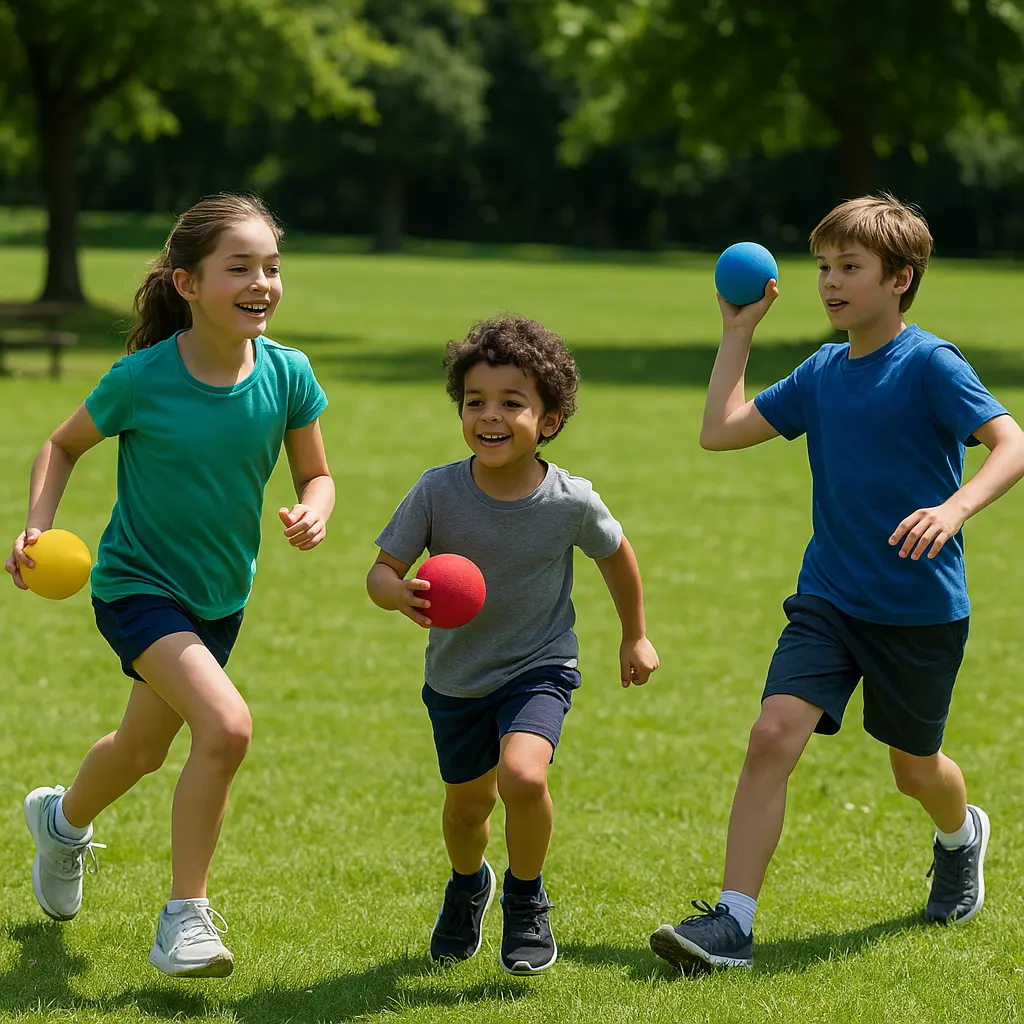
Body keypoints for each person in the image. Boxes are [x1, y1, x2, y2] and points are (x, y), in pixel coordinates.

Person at [650, 193, 1024, 972]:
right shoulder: (821, 372)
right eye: (823, 266)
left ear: (900, 279)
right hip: (829, 598)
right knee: (770, 737)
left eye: (849, 267)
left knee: (913, 770)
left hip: (918, 608)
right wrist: (736, 332)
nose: (829, 282)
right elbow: (720, 430)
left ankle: (961, 835)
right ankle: (733, 924)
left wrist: (956, 507)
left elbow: (1010, 442)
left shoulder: (930, 364)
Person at [5, 193, 334, 978]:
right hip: (135, 586)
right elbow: (61, 444)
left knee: (145, 751)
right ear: (187, 284)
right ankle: (183, 918)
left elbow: (316, 473)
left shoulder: (288, 373)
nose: (263, 282)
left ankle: (60, 821)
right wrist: (36, 525)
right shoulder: (143, 378)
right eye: (241, 267)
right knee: (226, 728)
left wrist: (313, 511)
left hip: (219, 599)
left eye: (272, 266)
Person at [367, 314, 659, 975]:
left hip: (539, 665)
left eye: (511, 403)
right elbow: (381, 571)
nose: (489, 417)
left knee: (524, 776)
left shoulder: (571, 502)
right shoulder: (437, 490)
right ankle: (469, 885)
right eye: (475, 402)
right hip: (457, 677)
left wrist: (634, 636)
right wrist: (395, 592)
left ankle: (526, 899)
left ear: (549, 420)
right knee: (467, 809)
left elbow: (617, 557)